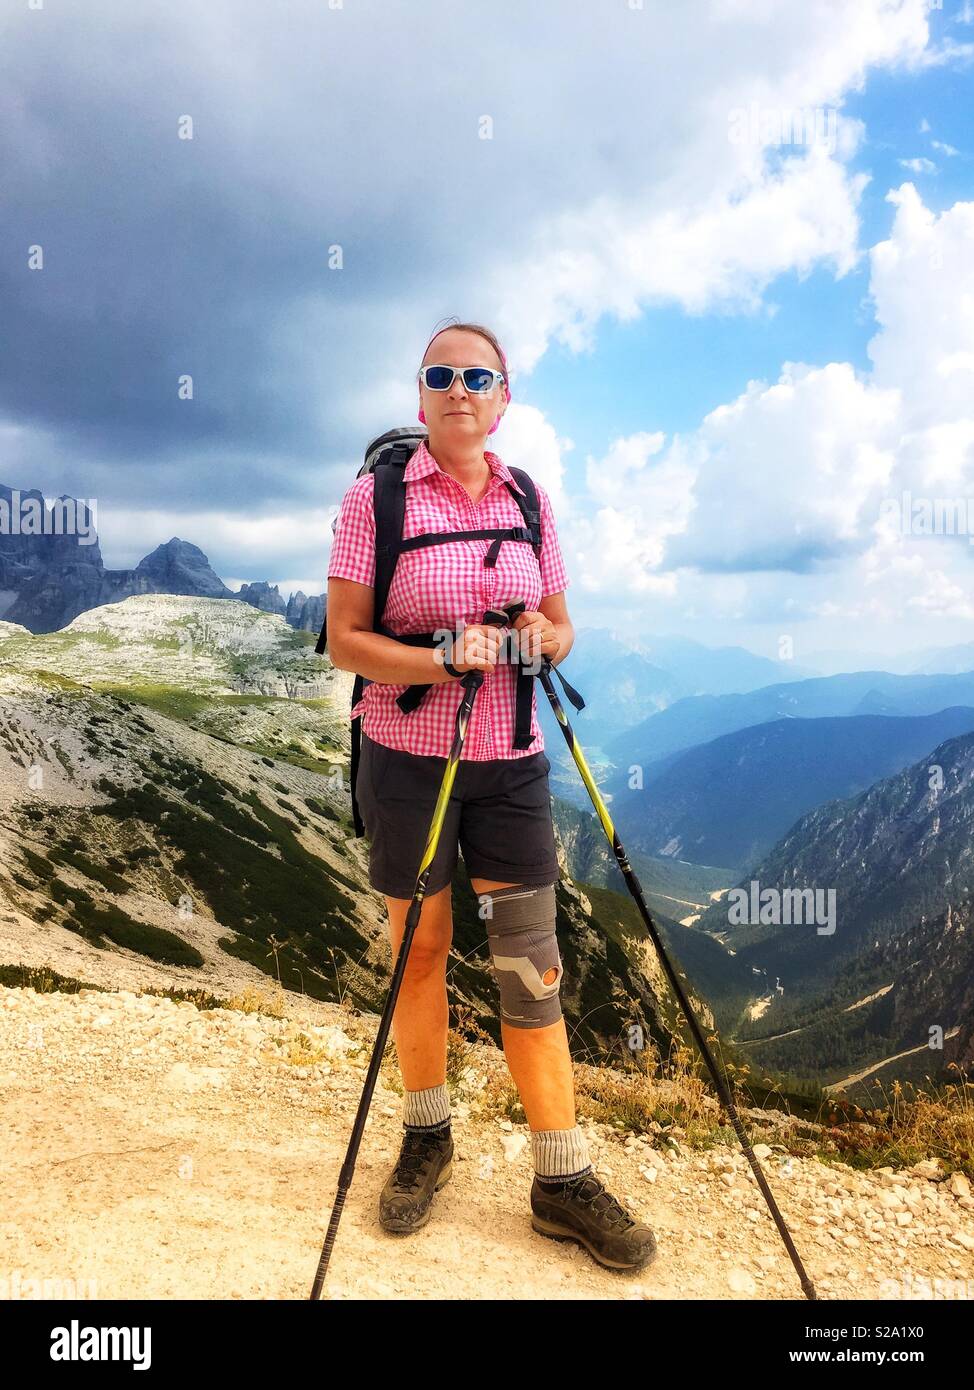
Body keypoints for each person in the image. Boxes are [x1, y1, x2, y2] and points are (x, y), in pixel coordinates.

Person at [325, 320, 657, 1273]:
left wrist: (542, 638)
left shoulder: (528, 499)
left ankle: (561, 1180)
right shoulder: (373, 501)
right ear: (420, 394)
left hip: (510, 760)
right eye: (442, 375)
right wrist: (438, 653)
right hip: (407, 759)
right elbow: (345, 639)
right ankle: (426, 1136)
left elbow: (562, 625)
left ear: (504, 396)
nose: (460, 389)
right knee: (420, 950)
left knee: (529, 963)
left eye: (479, 376)